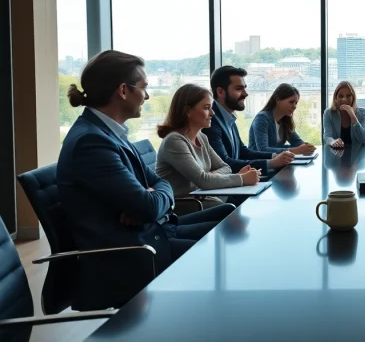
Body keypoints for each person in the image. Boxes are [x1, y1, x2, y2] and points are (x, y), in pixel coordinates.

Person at [58, 50, 234, 310]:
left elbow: (158, 186)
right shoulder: (91, 142)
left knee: (228, 221)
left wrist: (152, 198)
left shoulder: (109, 133)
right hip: (133, 253)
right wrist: (150, 201)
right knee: (223, 251)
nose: (148, 95)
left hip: (152, 232)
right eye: (144, 87)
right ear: (123, 90)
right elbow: (149, 205)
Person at [155, 84, 261, 212]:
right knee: (239, 208)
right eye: (206, 108)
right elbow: (204, 181)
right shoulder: (174, 141)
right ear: (188, 111)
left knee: (249, 203)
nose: (212, 113)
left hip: (205, 198)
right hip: (186, 206)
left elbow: (225, 168)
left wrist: (210, 176)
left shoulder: (202, 137)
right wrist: (241, 178)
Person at [203, 66, 294, 177]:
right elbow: (225, 164)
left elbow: (243, 152)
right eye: (238, 89)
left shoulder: (228, 117)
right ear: (220, 92)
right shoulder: (211, 122)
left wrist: (274, 156)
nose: (245, 94)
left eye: (244, 88)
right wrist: (272, 163)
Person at [249, 83, 316, 154]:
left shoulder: (285, 121)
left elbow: (297, 143)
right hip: (258, 163)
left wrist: (307, 147)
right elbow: (263, 150)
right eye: (291, 102)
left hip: (278, 163)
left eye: (296, 103)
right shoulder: (262, 118)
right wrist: (296, 150)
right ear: (278, 100)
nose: (294, 106)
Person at [323, 81, 365, 148]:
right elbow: (327, 137)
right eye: (340, 96)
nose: (344, 99)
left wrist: (353, 117)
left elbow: (364, 139)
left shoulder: (362, 113)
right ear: (335, 98)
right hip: (335, 155)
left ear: (353, 97)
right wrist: (333, 141)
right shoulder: (328, 113)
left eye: (348, 96)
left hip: (357, 156)